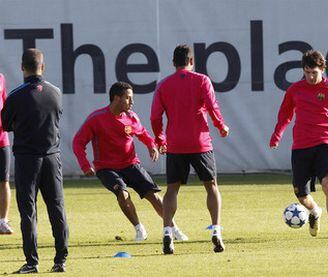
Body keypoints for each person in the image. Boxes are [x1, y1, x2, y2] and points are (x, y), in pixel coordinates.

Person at [72, 81, 188, 243]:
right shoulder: (96, 119)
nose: (132, 102)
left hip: (130, 164)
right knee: (123, 194)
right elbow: (78, 142)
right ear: (116, 98)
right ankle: (139, 229)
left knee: (153, 196)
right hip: (107, 168)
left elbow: (143, 133)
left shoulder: (131, 117)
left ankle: (172, 228)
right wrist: (85, 165)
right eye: (128, 98)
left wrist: (151, 146)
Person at [269, 50, 328, 239]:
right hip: (301, 146)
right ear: (303, 70)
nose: (311, 76)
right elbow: (285, 115)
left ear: (322, 69)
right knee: (301, 195)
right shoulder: (295, 90)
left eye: (314, 72)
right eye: (307, 72)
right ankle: (315, 211)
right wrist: (276, 136)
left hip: (324, 143)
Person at [151, 44, 230, 254]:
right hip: (200, 142)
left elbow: (155, 116)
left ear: (173, 63)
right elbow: (213, 106)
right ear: (191, 61)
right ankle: (216, 231)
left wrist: (160, 138)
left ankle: (167, 232)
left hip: (176, 143)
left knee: (172, 189)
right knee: (211, 186)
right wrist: (221, 126)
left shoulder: (164, 85)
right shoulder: (202, 80)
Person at [1, 48, 69, 274]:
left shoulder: (15, 96)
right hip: (52, 158)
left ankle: (32, 262)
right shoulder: (55, 92)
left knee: (28, 211)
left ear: (22, 67)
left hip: (27, 160)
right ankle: (61, 259)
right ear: (43, 67)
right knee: (57, 208)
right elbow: (57, 117)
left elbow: (7, 125)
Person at [0, 73, 12, 235]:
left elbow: (6, 105)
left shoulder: (1, 77)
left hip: (2, 140)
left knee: (4, 181)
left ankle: (2, 221)